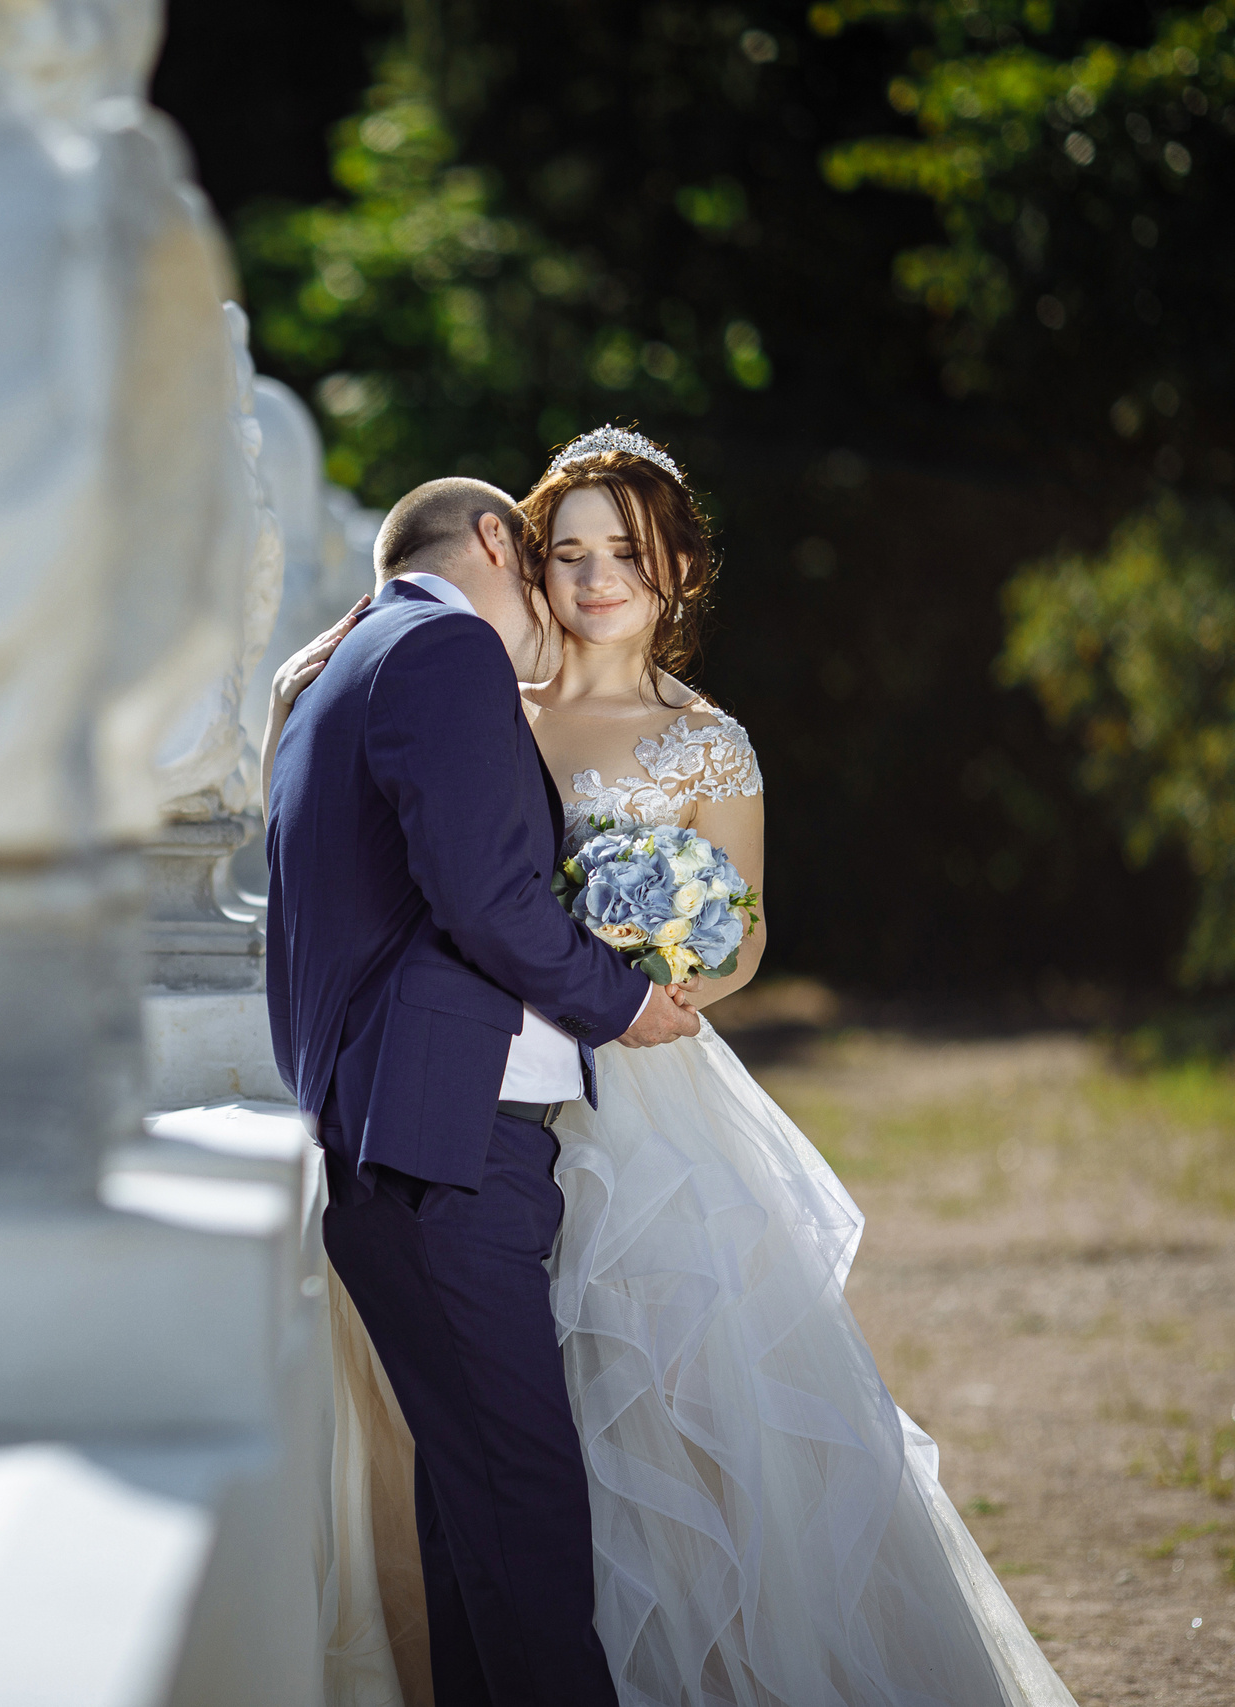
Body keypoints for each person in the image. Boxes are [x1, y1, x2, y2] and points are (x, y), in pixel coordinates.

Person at [267, 428, 1079, 1707]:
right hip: (488, 1097)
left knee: (668, 1432)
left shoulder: (705, 742)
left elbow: (744, 927)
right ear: (519, 558)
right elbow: (450, 875)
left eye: (623, 555)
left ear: (676, 571)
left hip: (633, 1093)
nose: (594, 580)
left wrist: (681, 956)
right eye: (568, 552)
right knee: (505, 1463)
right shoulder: (472, 680)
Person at [262, 462, 703, 1707]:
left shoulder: (348, 664)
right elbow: (486, 896)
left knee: (477, 1537)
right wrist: (622, 1002)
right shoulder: (443, 649)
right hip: (448, 1153)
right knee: (529, 1529)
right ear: (502, 545)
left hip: (403, 1150)